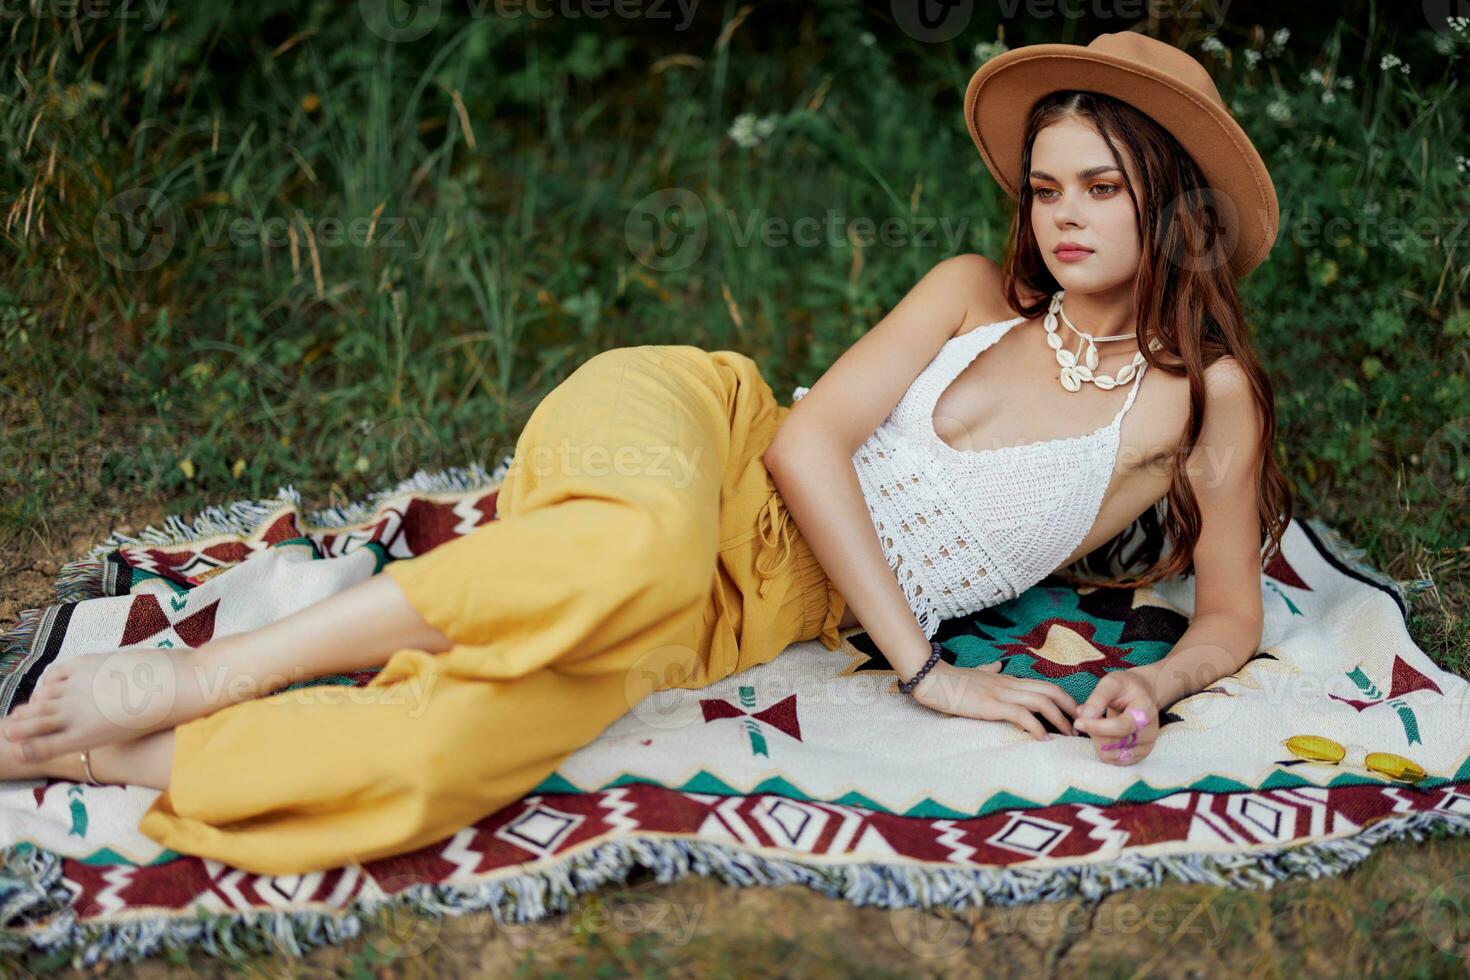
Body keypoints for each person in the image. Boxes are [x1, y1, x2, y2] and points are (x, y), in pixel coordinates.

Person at [0, 32, 1290, 875]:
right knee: (641, 543)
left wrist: (1159, 683)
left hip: (746, 605)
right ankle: (204, 676)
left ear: (1167, 197)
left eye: (1100, 189)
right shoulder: (968, 294)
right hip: (699, 434)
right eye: (1045, 186)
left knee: (448, 764)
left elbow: (1229, 610)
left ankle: (98, 752)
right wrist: (926, 671)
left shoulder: (1197, 401)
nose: (1060, 217)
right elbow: (806, 447)